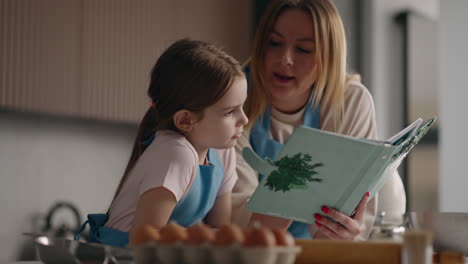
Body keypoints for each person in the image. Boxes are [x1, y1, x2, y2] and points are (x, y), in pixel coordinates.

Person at [232, 0, 406, 240]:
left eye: (303, 49)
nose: (285, 59)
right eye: (274, 43)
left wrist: (346, 230)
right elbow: (235, 213)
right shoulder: (232, 97)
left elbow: (355, 209)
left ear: (329, 56)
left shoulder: (350, 102)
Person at [75, 39, 249, 247]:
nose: (244, 120)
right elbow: (145, 244)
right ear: (185, 120)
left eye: (242, 107)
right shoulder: (176, 154)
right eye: (230, 112)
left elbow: (219, 234)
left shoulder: (222, 151)